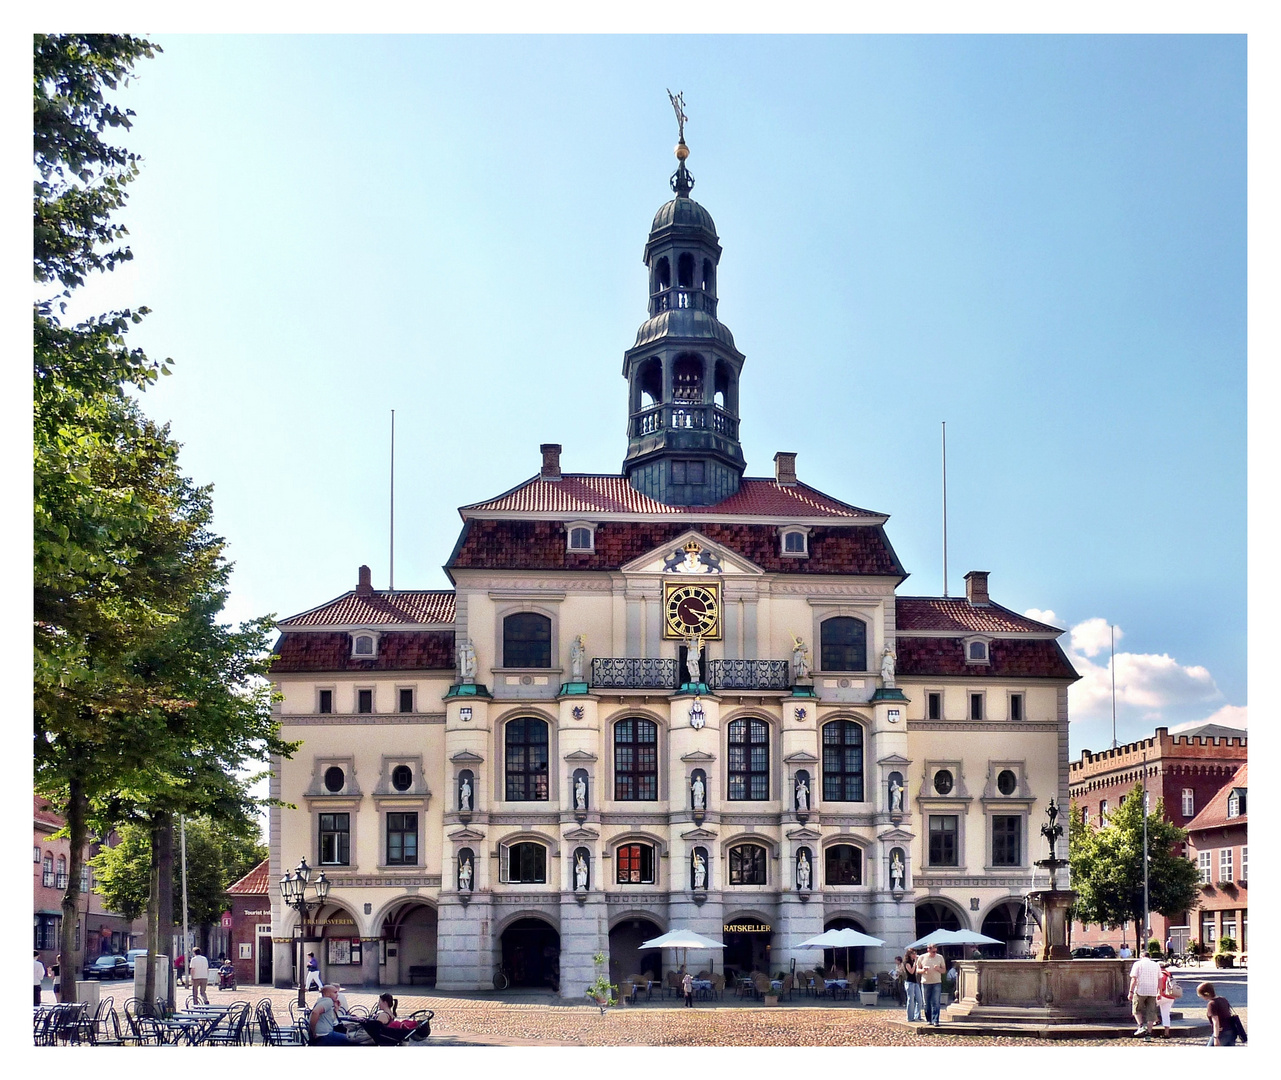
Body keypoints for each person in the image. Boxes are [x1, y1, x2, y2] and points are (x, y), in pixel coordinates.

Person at [1127, 950, 1162, 1036]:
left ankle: (1141, 1026)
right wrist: (1159, 992)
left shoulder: (1137, 964)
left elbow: (1134, 979)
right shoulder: (1156, 965)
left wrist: (1130, 992)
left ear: (1141, 956)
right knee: (1151, 1013)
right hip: (1153, 991)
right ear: (1149, 957)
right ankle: (1148, 1034)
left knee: (1136, 1009)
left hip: (1140, 990)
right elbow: (1160, 979)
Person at [1197, 982, 1240, 1046]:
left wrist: (1215, 1037)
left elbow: (1216, 1022)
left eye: (1201, 996)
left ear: (1205, 994)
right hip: (1231, 1031)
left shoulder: (1212, 1004)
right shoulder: (1223, 999)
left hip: (1221, 1032)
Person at [917, 944, 947, 1026]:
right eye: (932, 951)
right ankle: (929, 1019)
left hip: (936, 982)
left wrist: (938, 969)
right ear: (928, 950)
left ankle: (936, 1020)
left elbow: (944, 970)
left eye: (935, 951)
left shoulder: (940, 957)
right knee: (926, 1002)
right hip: (925, 982)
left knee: (936, 1002)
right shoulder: (922, 957)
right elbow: (917, 970)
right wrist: (923, 970)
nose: (934, 953)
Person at [1156, 963, 1179, 1037]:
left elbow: (1161, 986)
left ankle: (1156, 1019)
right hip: (1171, 996)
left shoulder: (1161, 975)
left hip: (1163, 995)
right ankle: (1166, 1033)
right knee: (1166, 1014)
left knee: (1147, 1006)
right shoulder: (1168, 974)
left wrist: (1158, 993)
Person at [902, 948, 922, 1022]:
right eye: (913, 954)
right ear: (909, 954)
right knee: (911, 1000)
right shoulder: (906, 962)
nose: (914, 955)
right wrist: (915, 963)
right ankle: (910, 1017)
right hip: (909, 982)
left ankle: (917, 1015)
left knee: (919, 999)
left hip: (915, 982)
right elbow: (911, 971)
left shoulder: (914, 961)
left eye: (915, 953)